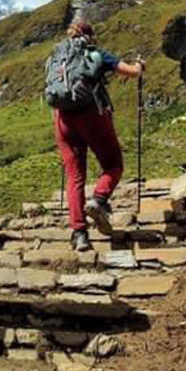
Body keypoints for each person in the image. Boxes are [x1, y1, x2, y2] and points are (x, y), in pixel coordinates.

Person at [52, 20, 144, 252]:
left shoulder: (55, 59)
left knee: (75, 177)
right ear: (89, 36)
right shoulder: (95, 54)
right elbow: (131, 72)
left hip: (62, 120)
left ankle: (79, 234)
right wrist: (140, 66)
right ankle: (99, 199)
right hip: (92, 115)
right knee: (113, 165)